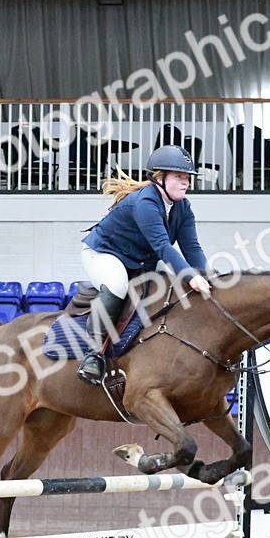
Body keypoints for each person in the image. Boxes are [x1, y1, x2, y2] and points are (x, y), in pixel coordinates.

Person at [77, 144, 212, 385]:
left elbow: (192, 248)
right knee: (118, 286)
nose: (185, 183)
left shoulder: (183, 207)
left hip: (140, 260)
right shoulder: (145, 203)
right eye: (179, 177)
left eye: (187, 178)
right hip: (105, 253)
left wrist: (206, 276)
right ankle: (93, 355)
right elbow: (164, 247)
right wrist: (191, 277)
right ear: (159, 178)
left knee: (172, 285)